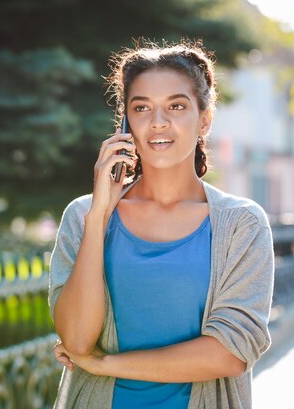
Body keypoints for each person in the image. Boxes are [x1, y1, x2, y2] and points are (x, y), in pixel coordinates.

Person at [47, 39, 275, 409]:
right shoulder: (84, 216)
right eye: (142, 108)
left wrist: (105, 364)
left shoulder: (242, 225)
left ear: (204, 118)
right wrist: (100, 216)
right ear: (125, 122)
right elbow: (75, 340)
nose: (158, 122)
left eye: (176, 106)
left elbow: (229, 353)